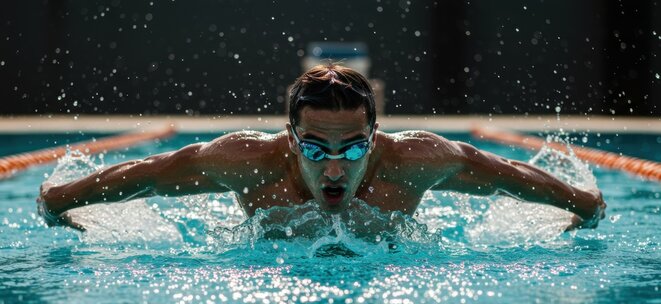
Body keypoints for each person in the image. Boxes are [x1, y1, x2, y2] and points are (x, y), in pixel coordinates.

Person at [38, 64, 606, 231]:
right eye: (315, 150)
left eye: (353, 149)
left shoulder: (416, 160)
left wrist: (581, 203)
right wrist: (60, 198)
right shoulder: (245, 161)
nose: (334, 167)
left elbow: (503, 170)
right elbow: (150, 170)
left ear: (376, 138)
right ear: (289, 140)